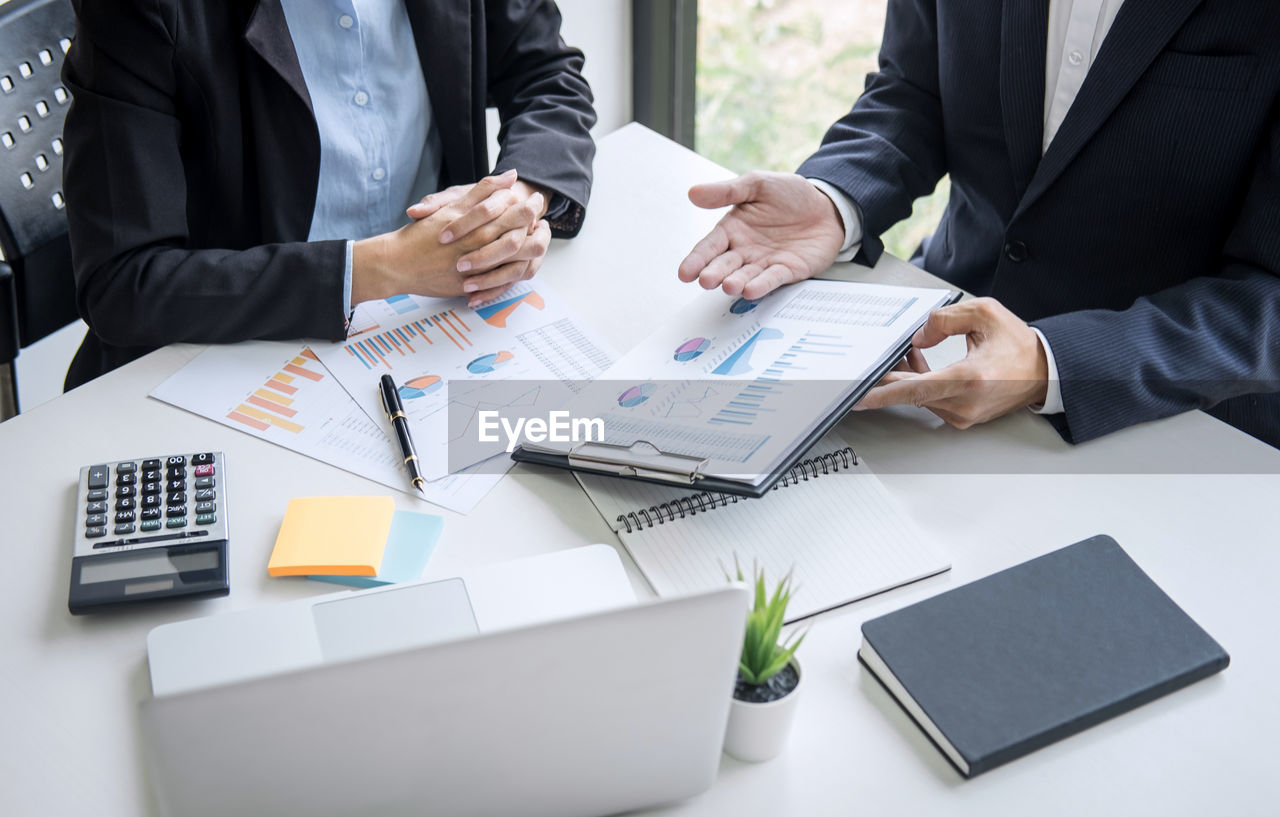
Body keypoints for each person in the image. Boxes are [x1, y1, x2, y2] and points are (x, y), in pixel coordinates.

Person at [679, 0, 1280, 447]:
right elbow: (914, 89)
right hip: (931, 346)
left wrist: (1054, 362)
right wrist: (836, 198)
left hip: (1175, 423)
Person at [61, 0, 596, 388]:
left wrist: (517, 198)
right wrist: (382, 267)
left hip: (435, 330)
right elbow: (123, 281)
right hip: (233, 358)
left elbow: (546, 74)